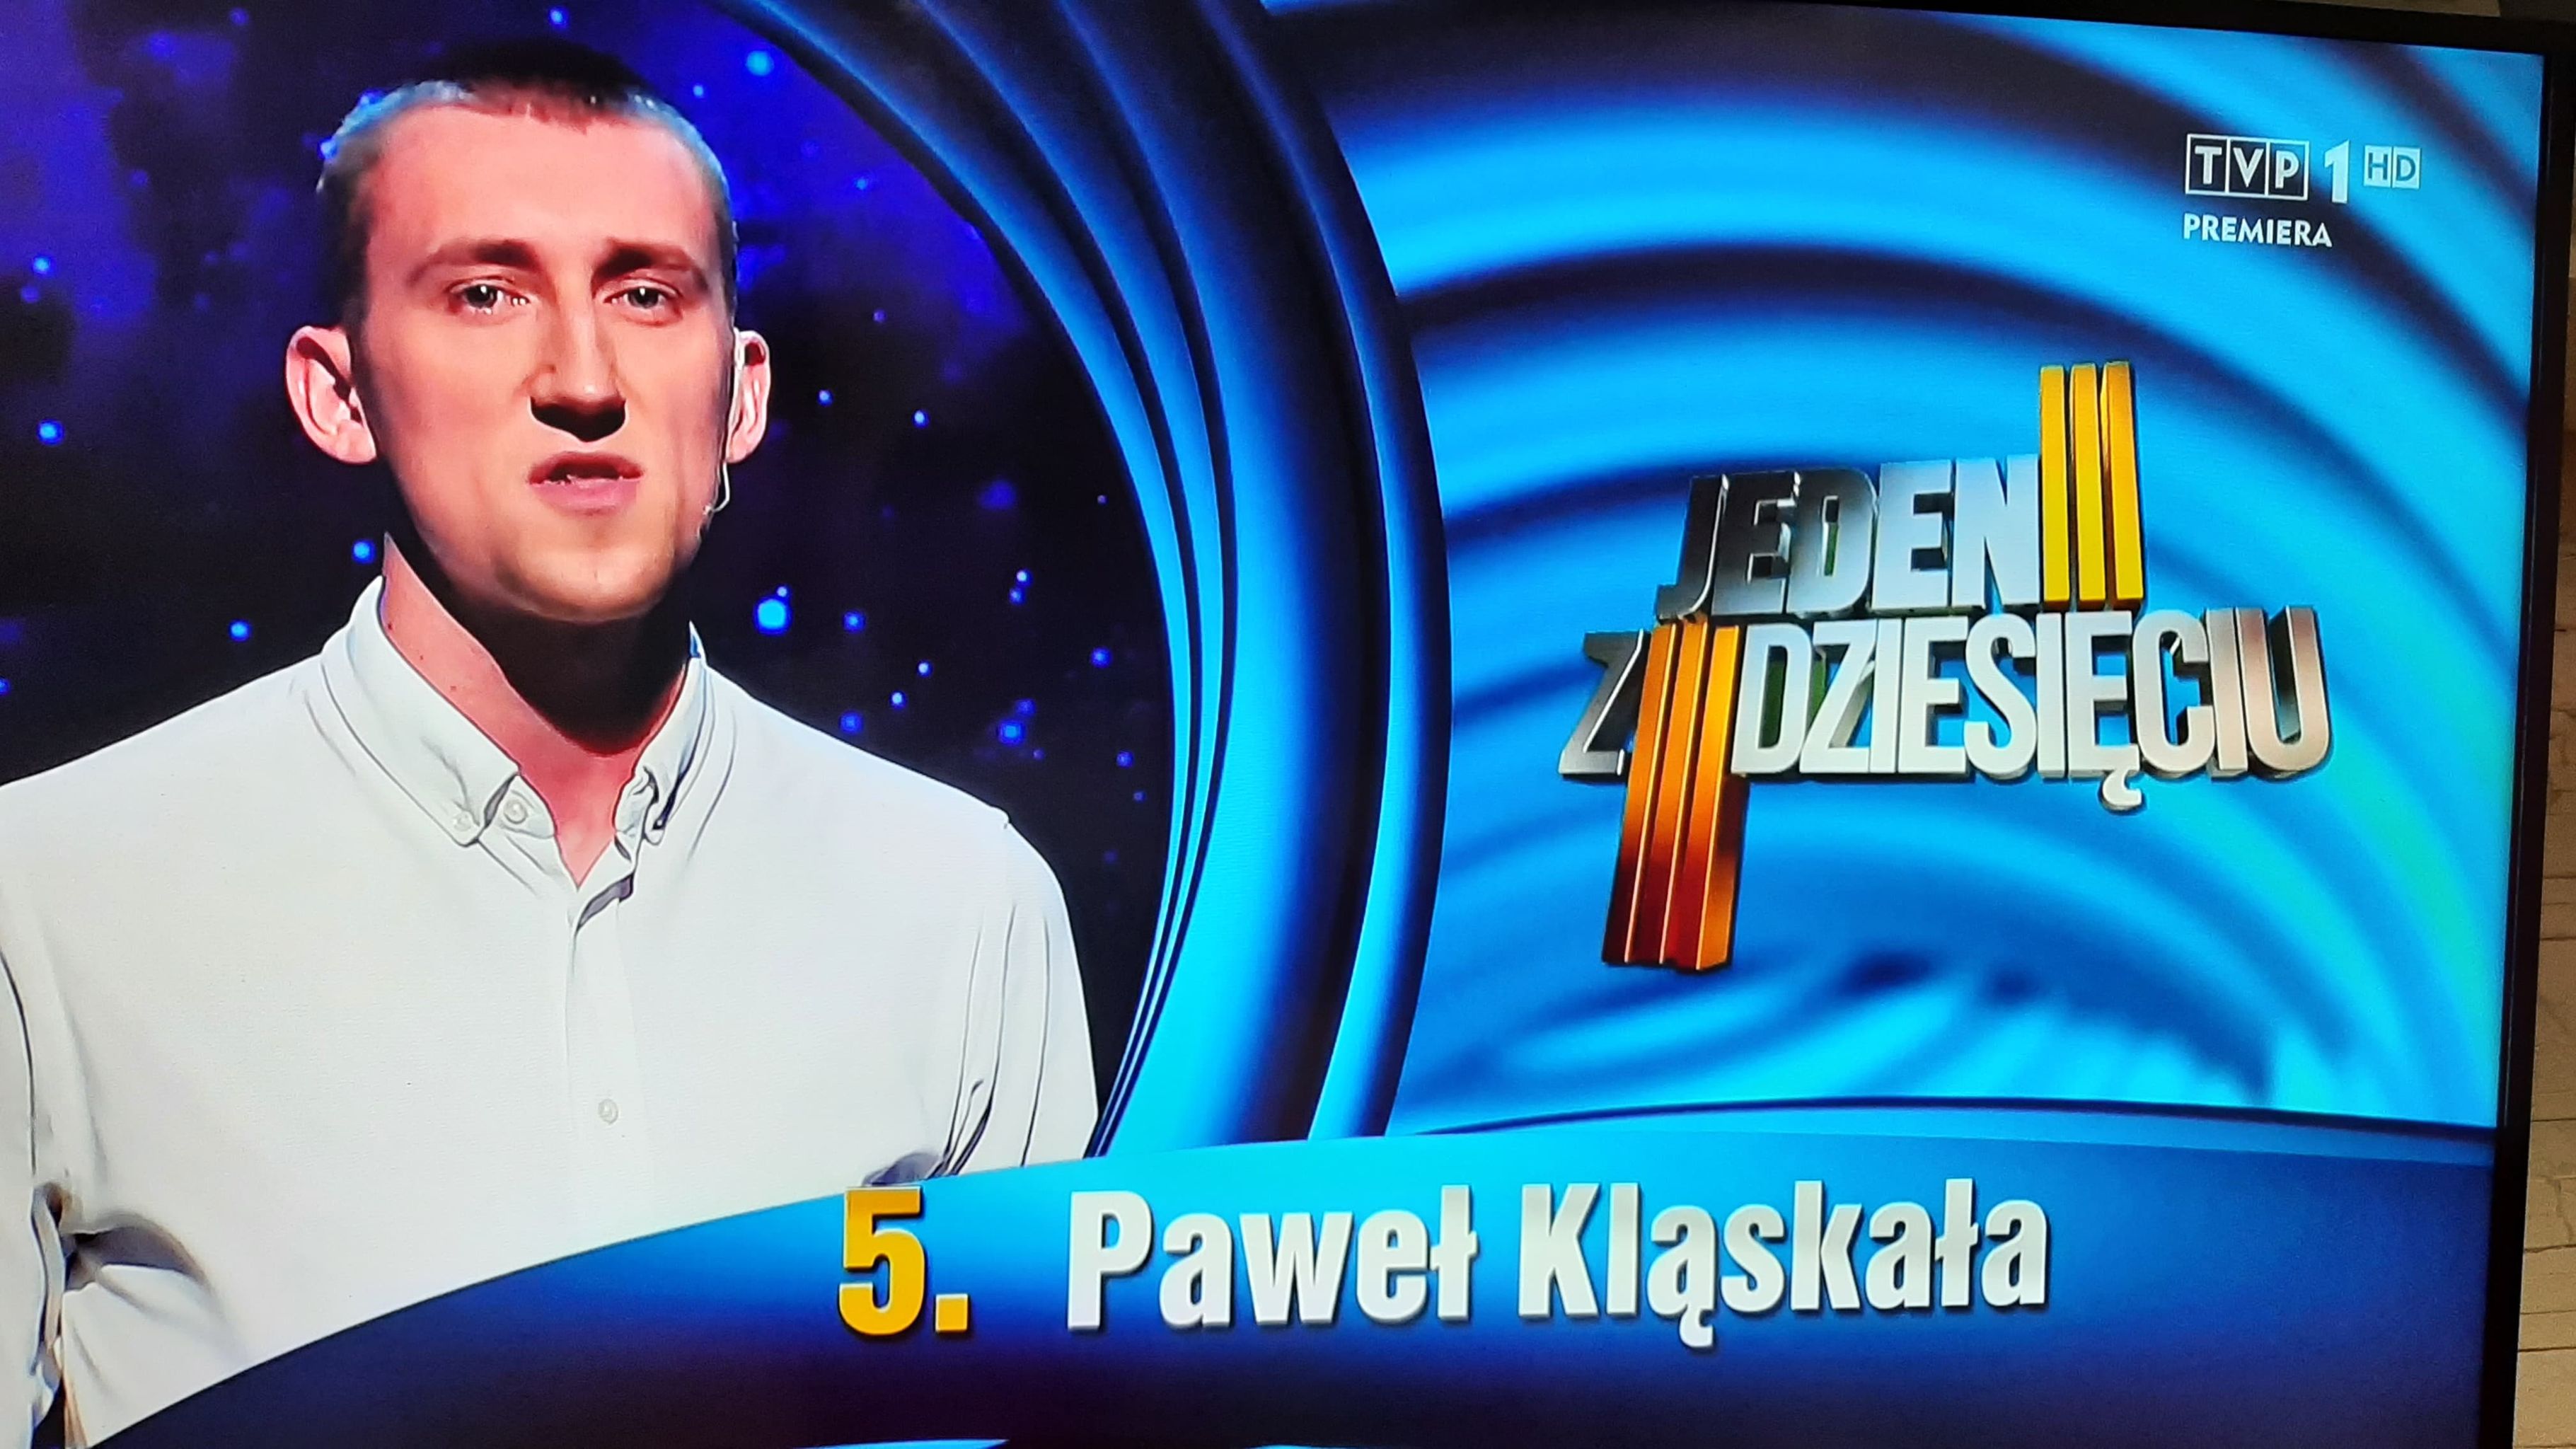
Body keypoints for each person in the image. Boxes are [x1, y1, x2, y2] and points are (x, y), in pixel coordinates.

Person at [0, 40, 1094, 1446]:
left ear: (742, 394)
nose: (583, 377)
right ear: (339, 393)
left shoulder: (960, 904)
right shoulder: (56, 897)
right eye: (487, 293)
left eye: (645, 293)